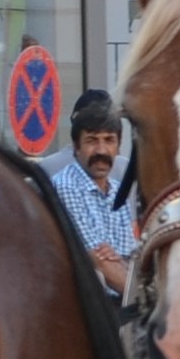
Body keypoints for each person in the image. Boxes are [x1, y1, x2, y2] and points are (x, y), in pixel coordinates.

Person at [44, 89, 139, 293]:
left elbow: (131, 259)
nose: (101, 151)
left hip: (122, 298)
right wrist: (145, 302)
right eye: (92, 140)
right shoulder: (66, 186)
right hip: (93, 305)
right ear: (76, 147)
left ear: (118, 147)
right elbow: (99, 262)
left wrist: (119, 262)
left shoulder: (116, 191)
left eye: (109, 140)